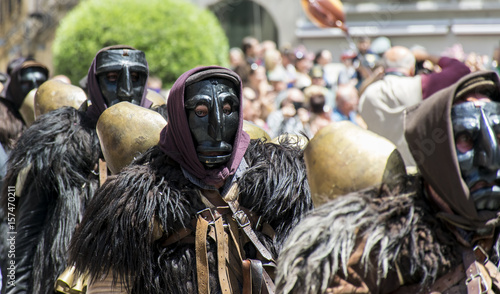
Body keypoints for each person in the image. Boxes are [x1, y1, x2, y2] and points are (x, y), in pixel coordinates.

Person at [68, 65, 312, 293]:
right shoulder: (136, 199)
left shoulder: (279, 184)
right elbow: (110, 286)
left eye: (227, 110)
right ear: (179, 116)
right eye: (201, 112)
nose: (217, 127)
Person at [276, 70, 500, 293]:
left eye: (499, 135)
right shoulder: (367, 253)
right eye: (466, 139)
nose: (490, 157)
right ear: (438, 152)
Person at [0, 45, 151, 294]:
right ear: (95, 82)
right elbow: (22, 231)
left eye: (135, 78)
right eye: (112, 78)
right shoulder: (62, 140)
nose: (125, 90)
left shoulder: (163, 142)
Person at [359, 45, 471, 167]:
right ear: (412, 68)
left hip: (377, 169)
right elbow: (461, 70)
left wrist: (375, 76)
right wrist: (426, 56)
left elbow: (357, 95)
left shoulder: (369, 92)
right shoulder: (421, 84)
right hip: (415, 170)